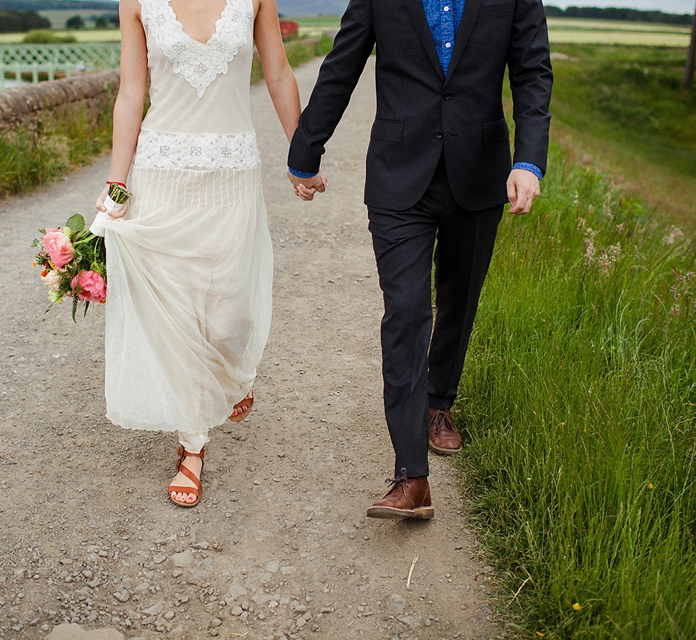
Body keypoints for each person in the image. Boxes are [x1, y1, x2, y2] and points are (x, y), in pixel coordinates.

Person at [287, 0, 552, 518]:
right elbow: (342, 65)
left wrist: (528, 161)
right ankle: (412, 476)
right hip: (397, 172)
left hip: (478, 172)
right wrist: (305, 150)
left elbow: (532, 73)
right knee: (406, 312)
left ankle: (439, 402)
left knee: (459, 299)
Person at [90, 0, 302, 507]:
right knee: (179, 315)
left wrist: (302, 152)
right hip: (161, 175)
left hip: (232, 177)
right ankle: (192, 446)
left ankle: (231, 376)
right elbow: (131, 91)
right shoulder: (136, 2)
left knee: (230, 313)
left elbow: (277, 73)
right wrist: (117, 181)